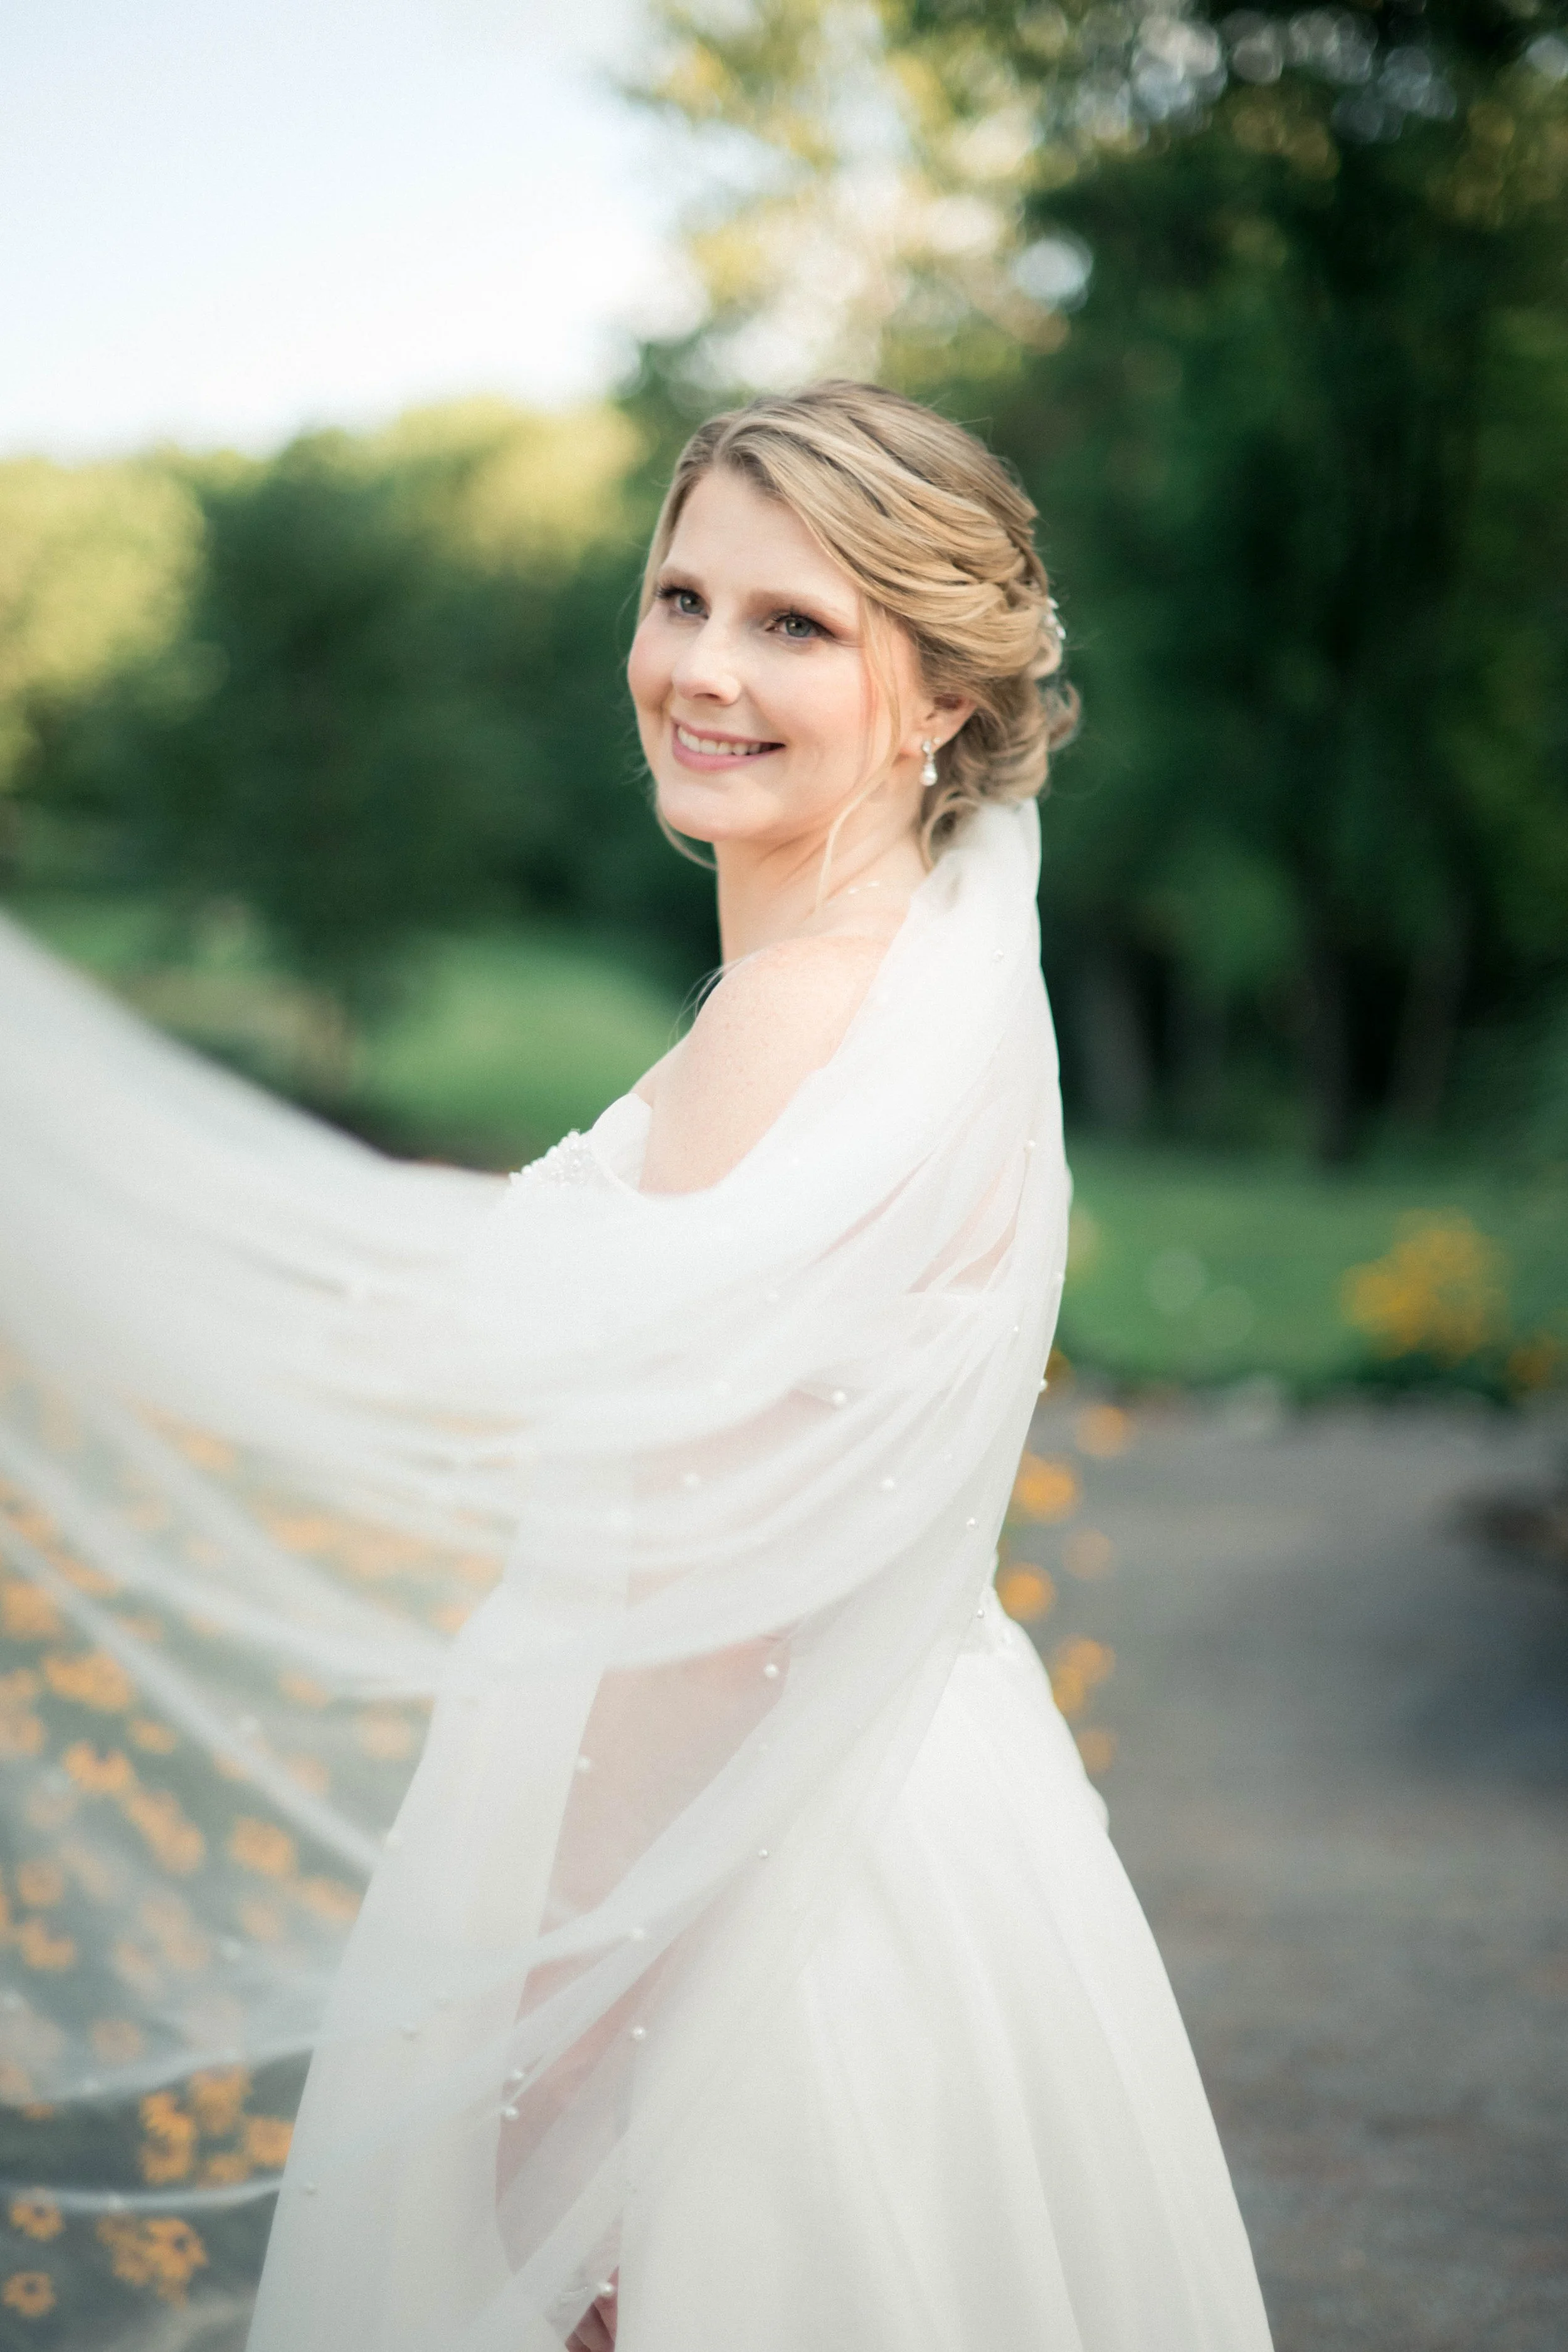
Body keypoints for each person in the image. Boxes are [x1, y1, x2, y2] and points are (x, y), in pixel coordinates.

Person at [0, 383, 1272, 2350]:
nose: (700, 667)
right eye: (681, 595)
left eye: (795, 624)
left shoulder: (800, 1036)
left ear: (939, 696)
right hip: (922, 1824)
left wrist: (557, 2096)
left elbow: (710, 1642)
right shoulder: (918, 986)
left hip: (751, 1936)